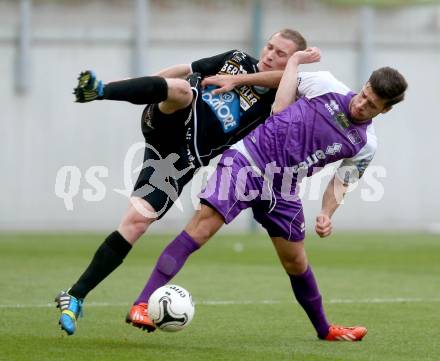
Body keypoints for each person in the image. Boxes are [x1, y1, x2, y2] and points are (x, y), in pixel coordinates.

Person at [55, 29, 322, 336]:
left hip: (180, 159)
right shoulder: (236, 59)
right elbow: (186, 70)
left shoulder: (283, 97)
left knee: (136, 223)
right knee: (181, 89)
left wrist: (293, 65)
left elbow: (287, 86)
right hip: (173, 118)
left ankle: (74, 295)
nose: (270, 54)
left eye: (281, 53)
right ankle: (100, 90)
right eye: (270, 46)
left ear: (292, 64)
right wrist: (142, 86)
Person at [130, 58, 408, 340]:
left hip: (283, 188)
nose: (362, 105)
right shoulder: (325, 84)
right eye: (364, 95)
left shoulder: (365, 144)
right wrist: (289, 66)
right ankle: (141, 304)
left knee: (296, 262)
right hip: (247, 160)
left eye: (372, 105)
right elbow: (280, 84)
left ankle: (325, 330)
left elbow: (341, 182)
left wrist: (326, 213)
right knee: (200, 230)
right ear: (364, 85)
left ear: (385, 110)